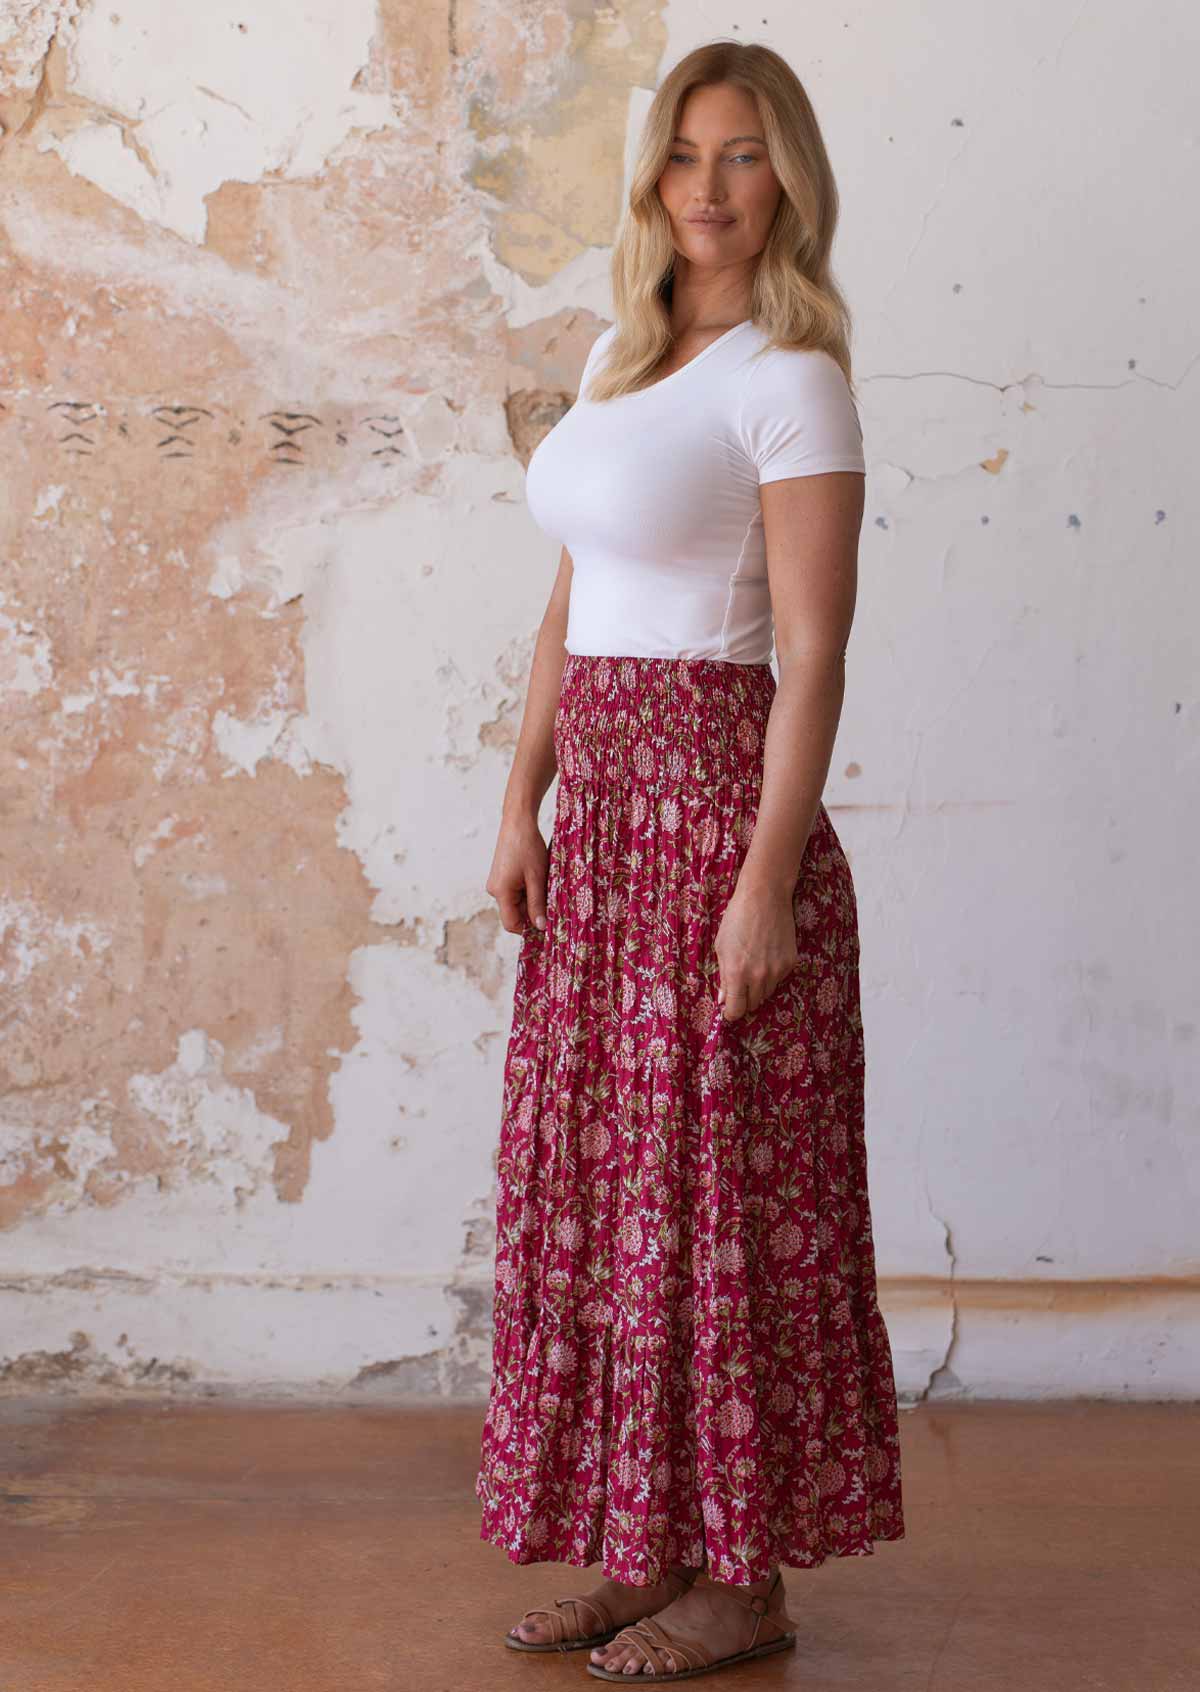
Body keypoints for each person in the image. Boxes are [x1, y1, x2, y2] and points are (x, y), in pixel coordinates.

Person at [476, 37, 905, 1683]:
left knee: (724, 1208)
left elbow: (813, 658)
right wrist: (523, 799)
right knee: (610, 1202)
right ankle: (645, 1550)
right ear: (653, 178)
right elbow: (568, 605)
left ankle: (748, 1583)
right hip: (601, 835)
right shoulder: (614, 356)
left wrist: (766, 883)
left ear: (787, 176)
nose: (710, 186)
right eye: (685, 154)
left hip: (720, 822)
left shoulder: (794, 379)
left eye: (744, 155)